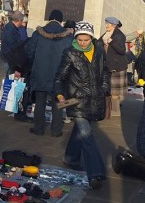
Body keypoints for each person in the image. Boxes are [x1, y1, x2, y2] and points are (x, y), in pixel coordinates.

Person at [54, 21, 110, 189]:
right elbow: (59, 77)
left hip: (95, 100)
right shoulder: (70, 53)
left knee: (80, 132)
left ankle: (70, 157)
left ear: (91, 38)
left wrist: (105, 89)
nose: (83, 43)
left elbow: (105, 72)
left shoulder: (99, 51)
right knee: (87, 135)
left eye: (86, 40)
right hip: (77, 101)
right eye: (80, 39)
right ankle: (96, 173)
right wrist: (59, 94)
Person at [25, 10, 72, 137]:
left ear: (49, 18)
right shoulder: (67, 36)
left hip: (41, 72)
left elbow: (30, 51)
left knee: (40, 101)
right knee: (58, 101)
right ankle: (56, 130)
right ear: (61, 20)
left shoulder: (38, 33)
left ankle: (38, 129)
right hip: (59, 75)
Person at [0, 10, 31, 122]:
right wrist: (16, 66)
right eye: (22, 20)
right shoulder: (10, 30)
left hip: (10, 59)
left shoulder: (11, 28)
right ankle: (12, 106)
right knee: (13, 83)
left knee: (12, 83)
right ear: (19, 20)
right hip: (11, 60)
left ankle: (12, 105)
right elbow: (12, 49)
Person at [99, 16, 127, 116]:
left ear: (113, 25)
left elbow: (122, 51)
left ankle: (115, 112)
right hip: (107, 65)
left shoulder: (119, 35)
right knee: (107, 89)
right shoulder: (106, 34)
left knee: (115, 92)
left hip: (117, 66)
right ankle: (107, 110)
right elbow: (98, 43)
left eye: (108, 24)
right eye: (106, 23)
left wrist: (112, 42)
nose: (106, 26)